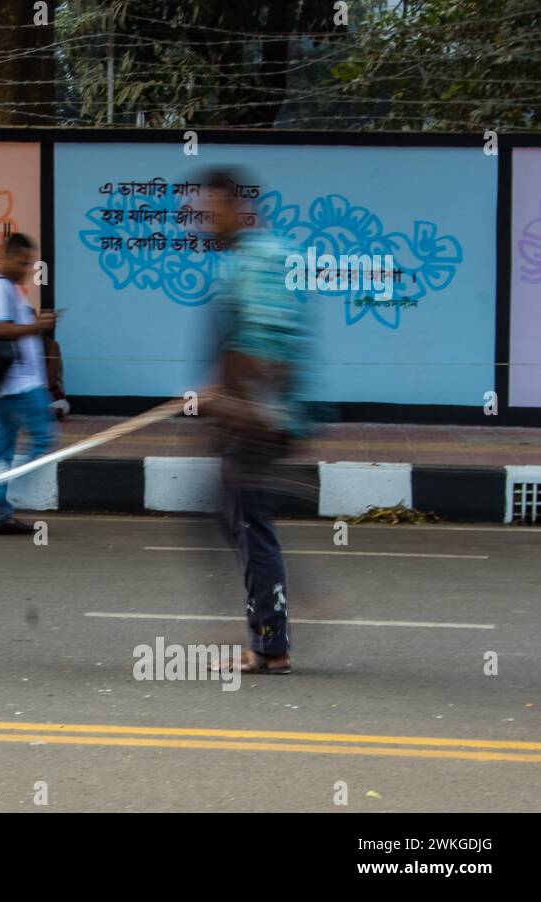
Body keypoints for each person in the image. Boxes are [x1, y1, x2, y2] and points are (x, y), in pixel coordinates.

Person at [197, 168, 314, 674]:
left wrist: (234, 402)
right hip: (247, 417)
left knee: (250, 524)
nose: (201, 221)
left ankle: (272, 642)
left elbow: (267, 348)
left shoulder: (261, 260)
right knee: (237, 520)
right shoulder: (246, 261)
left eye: (209, 210)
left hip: (256, 421)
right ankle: (271, 631)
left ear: (236, 208)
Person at [0, 233, 59, 535]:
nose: (26, 268)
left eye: (29, 263)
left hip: (8, 386)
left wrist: (35, 325)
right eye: (22, 261)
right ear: (5, 256)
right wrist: (36, 326)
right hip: (19, 385)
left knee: (2, 447)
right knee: (44, 437)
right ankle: (13, 482)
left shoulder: (9, 289)